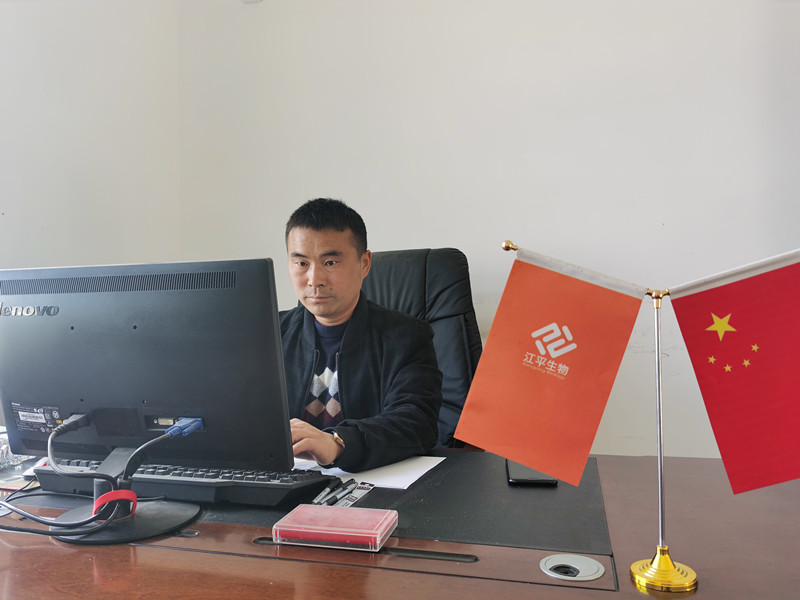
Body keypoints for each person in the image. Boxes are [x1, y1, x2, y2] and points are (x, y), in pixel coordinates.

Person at [281, 198, 442, 472]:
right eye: (301, 263)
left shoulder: (407, 337)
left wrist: (338, 443)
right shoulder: (269, 335)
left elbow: (417, 422)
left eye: (330, 262)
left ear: (364, 264)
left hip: (369, 484)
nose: (314, 279)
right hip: (282, 484)